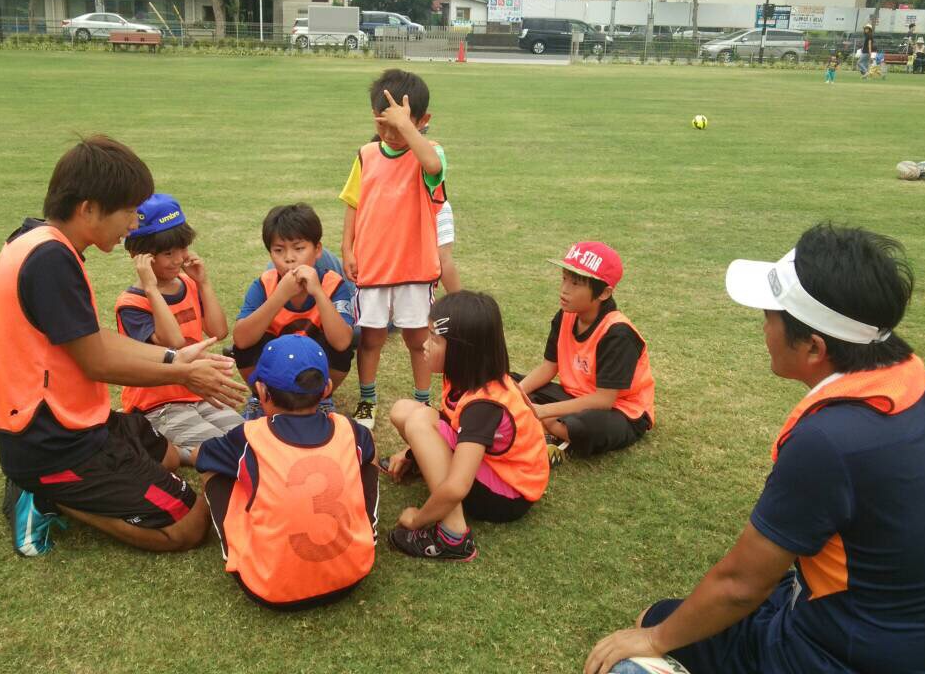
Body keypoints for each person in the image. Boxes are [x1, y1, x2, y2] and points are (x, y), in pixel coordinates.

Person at [583, 223, 925, 674]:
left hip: (849, 656)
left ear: (814, 347)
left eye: (770, 316)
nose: (764, 327)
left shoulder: (830, 441)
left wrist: (654, 639)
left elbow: (741, 585)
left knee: (646, 637)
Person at [0, 135, 247, 556]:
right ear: (88, 209)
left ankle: (50, 481)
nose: (133, 225)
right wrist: (183, 373)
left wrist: (173, 357)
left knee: (167, 455)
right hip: (51, 440)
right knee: (190, 526)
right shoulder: (50, 260)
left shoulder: (35, 239)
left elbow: (92, 338)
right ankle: (44, 494)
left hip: (76, 421)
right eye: (129, 211)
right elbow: (96, 362)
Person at [196, 335, 378, 610]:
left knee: (214, 471)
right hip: (352, 575)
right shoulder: (349, 429)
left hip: (270, 588)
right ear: (327, 389)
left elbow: (203, 456)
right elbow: (369, 450)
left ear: (262, 391)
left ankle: (236, 552)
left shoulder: (250, 435)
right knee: (366, 455)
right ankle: (367, 530)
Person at [384, 291, 549, 561]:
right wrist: (413, 451)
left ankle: (453, 536)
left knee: (419, 421)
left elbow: (458, 486)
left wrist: (417, 519)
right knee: (404, 410)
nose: (425, 344)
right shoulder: (465, 375)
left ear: (462, 351)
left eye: (434, 339)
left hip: (508, 495)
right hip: (492, 467)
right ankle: (426, 466)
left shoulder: (484, 405)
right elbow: (450, 421)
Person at [340, 68, 447, 428]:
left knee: (417, 338)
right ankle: (367, 400)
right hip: (373, 265)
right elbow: (353, 203)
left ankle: (423, 402)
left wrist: (407, 127)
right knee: (371, 337)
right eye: (382, 123)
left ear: (422, 121)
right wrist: (347, 248)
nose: (390, 133)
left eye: (399, 125)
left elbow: (432, 165)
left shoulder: (430, 152)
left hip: (415, 268)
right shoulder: (366, 154)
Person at [114, 192, 241, 467]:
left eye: (182, 249)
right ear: (140, 256)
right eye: (167, 253)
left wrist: (203, 283)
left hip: (198, 392)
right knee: (220, 453)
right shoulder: (132, 304)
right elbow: (172, 342)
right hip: (159, 406)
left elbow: (218, 331)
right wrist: (150, 288)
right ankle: (157, 444)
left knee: (245, 439)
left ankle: (176, 449)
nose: (178, 259)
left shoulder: (188, 283)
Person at [517, 242, 655, 466]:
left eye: (575, 283)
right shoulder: (565, 315)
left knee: (587, 426)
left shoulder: (618, 333)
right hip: (574, 397)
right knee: (510, 382)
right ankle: (550, 429)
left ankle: (550, 431)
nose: (564, 289)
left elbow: (603, 400)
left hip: (620, 412)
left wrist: (543, 412)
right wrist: (514, 393)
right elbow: (548, 367)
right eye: (564, 279)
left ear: (604, 293)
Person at [232, 203, 357, 419]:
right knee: (246, 345)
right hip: (276, 359)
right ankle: (260, 396)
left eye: (299, 248)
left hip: (313, 359)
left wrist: (318, 293)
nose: (289, 258)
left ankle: (321, 397)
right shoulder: (264, 284)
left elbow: (342, 342)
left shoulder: (333, 283)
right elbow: (241, 340)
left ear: (317, 250)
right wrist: (280, 295)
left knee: (342, 345)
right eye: (278, 250)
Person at [340, 132, 462, 296]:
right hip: (379, 274)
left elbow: (443, 259)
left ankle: (462, 305)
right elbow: (353, 203)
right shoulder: (367, 158)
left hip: (414, 273)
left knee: (442, 257)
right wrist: (347, 248)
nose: (390, 137)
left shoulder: (428, 157)